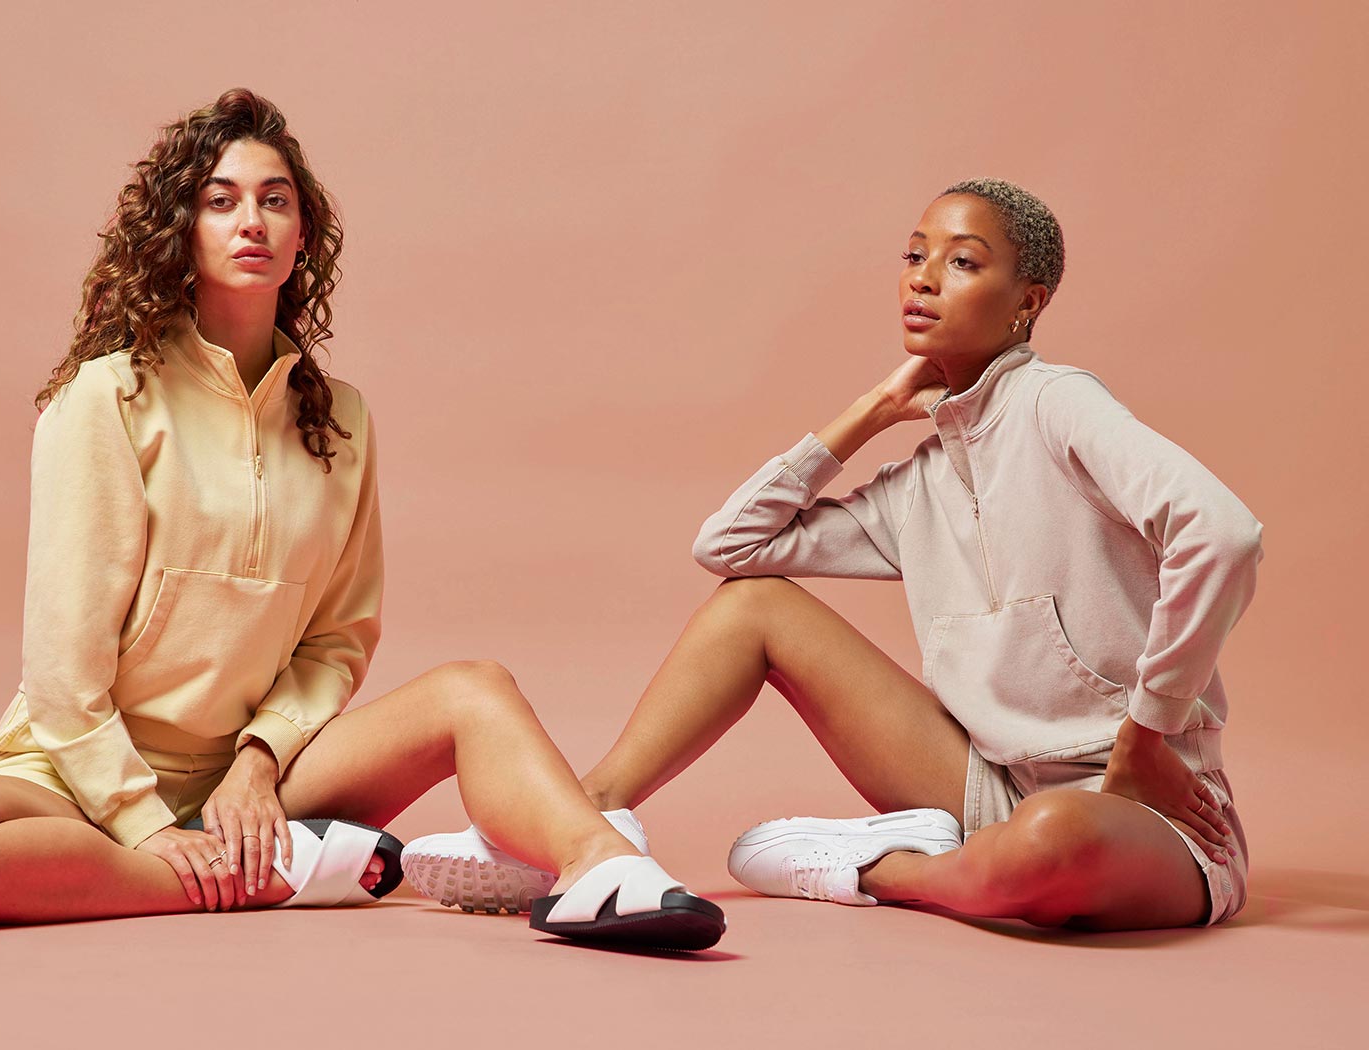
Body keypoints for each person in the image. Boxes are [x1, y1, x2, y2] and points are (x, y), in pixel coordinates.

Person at [0, 88, 724, 951]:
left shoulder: (341, 420)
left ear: (303, 233)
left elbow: (338, 640)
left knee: (476, 687)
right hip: (79, 781)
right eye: (220, 199)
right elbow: (61, 674)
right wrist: (143, 822)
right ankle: (266, 879)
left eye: (276, 200)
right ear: (180, 230)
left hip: (264, 783)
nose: (252, 221)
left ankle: (602, 868)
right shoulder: (106, 400)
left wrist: (257, 763)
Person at [403, 178, 1261, 931]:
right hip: (986, 788)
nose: (923, 278)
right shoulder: (919, 480)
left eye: (962, 262)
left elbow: (1221, 533)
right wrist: (870, 412)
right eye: (915, 255)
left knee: (1048, 845)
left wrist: (1150, 732)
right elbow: (733, 549)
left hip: (1142, 806)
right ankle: (584, 823)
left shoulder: (1058, 405)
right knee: (755, 608)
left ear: (1027, 301)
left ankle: (865, 867)